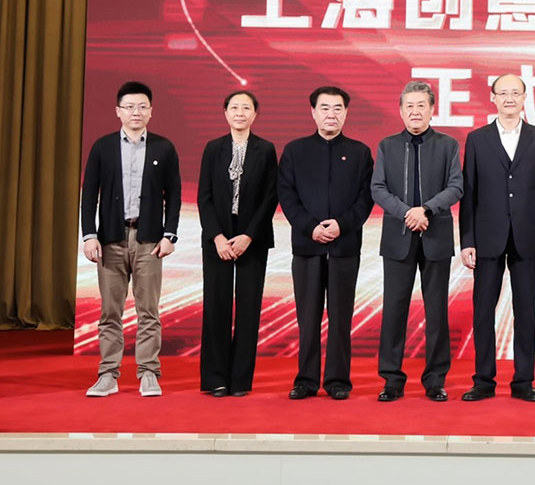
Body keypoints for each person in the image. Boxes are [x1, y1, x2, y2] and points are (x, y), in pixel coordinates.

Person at [459, 74, 535, 402]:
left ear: (525, 97)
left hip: (527, 237)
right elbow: (469, 193)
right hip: (487, 236)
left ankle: (523, 381)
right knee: (483, 310)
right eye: (503, 93)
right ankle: (483, 381)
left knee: (525, 310)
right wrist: (467, 240)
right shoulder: (477, 139)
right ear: (493, 98)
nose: (509, 98)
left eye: (516, 92)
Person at [82, 81, 180, 397]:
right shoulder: (103, 147)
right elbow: (89, 194)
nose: (135, 112)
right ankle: (108, 374)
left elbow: (174, 194)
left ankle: (148, 372)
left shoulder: (164, 147)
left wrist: (169, 234)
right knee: (110, 312)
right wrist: (89, 235)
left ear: (151, 111)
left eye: (142, 106)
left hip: (149, 240)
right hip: (110, 239)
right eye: (129, 106)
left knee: (148, 310)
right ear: (118, 111)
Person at [278, 86, 373, 400]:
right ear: (313, 112)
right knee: (308, 317)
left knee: (341, 317)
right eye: (325, 108)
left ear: (346, 113)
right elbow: (287, 195)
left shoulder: (360, 152)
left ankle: (337, 380)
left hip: (345, 247)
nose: (331, 115)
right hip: (307, 246)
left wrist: (341, 225)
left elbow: (365, 198)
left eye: (337, 109)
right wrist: (310, 228)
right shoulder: (295, 150)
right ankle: (306, 380)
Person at [371, 81, 463, 402]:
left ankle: (435, 380)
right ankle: (391, 379)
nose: (415, 111)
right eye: (409, 106)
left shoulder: (448, 145)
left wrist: (426, 210)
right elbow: (378, 188)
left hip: (436, 237)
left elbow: (456, 186)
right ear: (400, 110)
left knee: (436, 312)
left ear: (432, 109)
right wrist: (406, 213)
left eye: (421, 105)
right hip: (397, 239)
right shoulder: (387, 145)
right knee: (394, 310)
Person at [197, 90, 278, 397]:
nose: (240, 113)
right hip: (217, 238)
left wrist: (249, 236)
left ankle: (241, 380)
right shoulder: (213, 148)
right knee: (216, 306)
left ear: (255, 114)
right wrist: (217, 236)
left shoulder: (266, 149)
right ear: (226, 113)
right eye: (234, 107)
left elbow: (270, 197)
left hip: (251, 238)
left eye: (246, 108)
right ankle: (215, 379)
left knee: (248, 309)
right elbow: (204, 197)